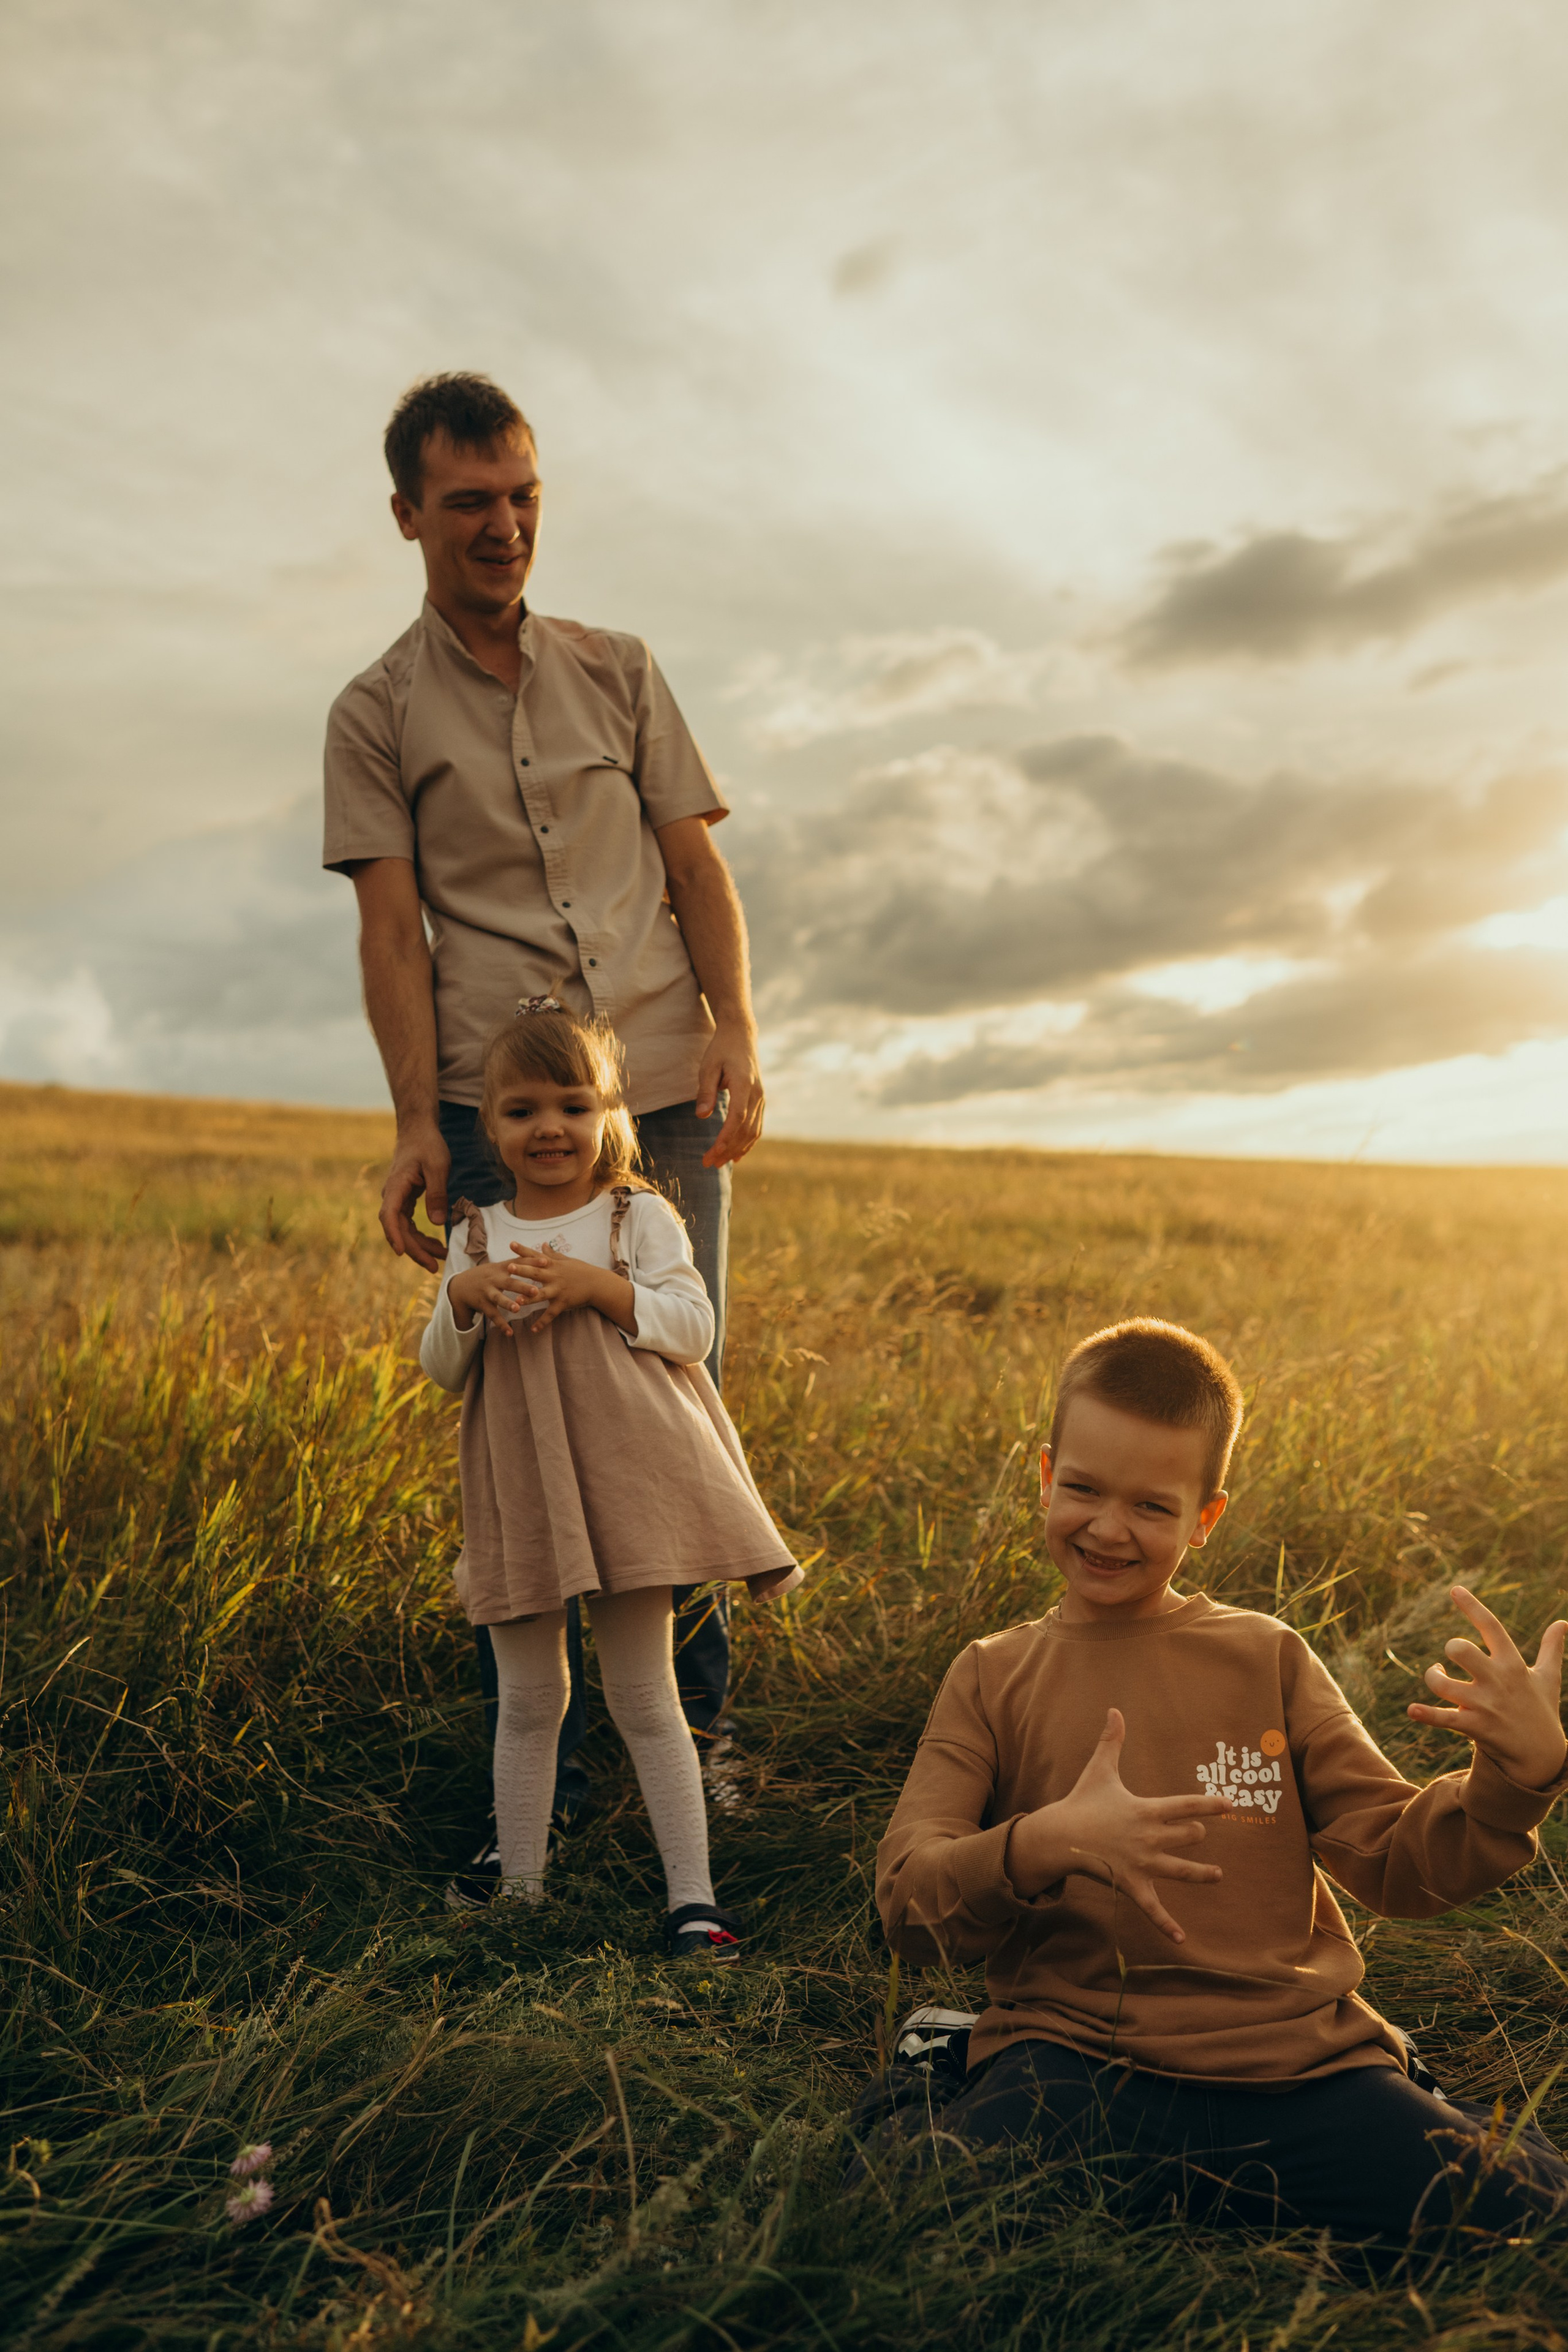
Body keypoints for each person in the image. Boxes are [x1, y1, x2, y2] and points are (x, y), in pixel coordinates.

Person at [322, 372, 765, 1894]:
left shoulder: (620, 669)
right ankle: (542, 1780)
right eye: (469, 502)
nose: (503, 526)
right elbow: (392, 932)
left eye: (521, 496)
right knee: (513, 1410)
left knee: (672, 1393)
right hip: (489, 1102)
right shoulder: (374, 714)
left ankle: (694, 1737)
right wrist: (413, 1122)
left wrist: (734, 1025)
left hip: (656, 1082)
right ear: (408, 516)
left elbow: (694, 868)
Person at [861, 1317, 1568, 2247]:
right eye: (1083, 1489)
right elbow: (909, 1905)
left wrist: (1519, 1775)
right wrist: (1046, 1843)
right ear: (1045, 1475)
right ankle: (946, 2061)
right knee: (909, 2217)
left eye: (1153, 1507)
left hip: (1300, 2071)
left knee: (1532, 2227)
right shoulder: (991, 1675)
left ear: (1206, 1517)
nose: (1108, 1528)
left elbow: (1401, 1865)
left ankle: (1410, 2093)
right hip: (1075, 2062)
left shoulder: (1267, 1658)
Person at [417, 995, 801, 1959]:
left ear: (610, 1116)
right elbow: (443, 1369)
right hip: (521, 1492)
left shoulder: (637, 1217)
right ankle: (522, 1897)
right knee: (529, 1700)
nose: (550, 1127)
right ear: (490, 1126)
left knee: (644, 1694)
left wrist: (599, 1288)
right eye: (522, 1110)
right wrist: (462, 1300)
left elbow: (694, 1330)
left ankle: (693, 1901)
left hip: (632, 1486)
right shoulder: (478, 1236)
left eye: (574, 1105)